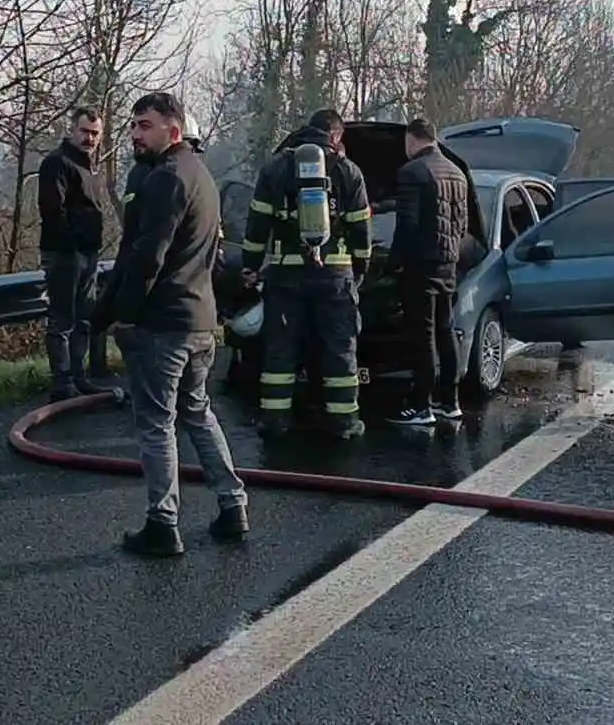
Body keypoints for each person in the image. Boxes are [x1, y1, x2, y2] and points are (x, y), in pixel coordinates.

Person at [92, 91, 247, 557]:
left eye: (144, 126)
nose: (135, 134)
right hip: (200, 320)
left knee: (157, 423)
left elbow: (146, 257)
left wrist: (121, 314)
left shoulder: (165, 180)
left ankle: (163, 523)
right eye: (134, 126)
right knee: (198, 413)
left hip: (164, 325)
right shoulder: (202, 176)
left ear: (173, 131)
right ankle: (233, 504)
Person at [239, 109, 372, 440]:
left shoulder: (275, 168)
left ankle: (275, 420)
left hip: (285, 278)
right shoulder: (348, 170)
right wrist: (359, 270)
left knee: (280, 349)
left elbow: (257, 225)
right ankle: (344, 421)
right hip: (334, 276)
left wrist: (250, 265)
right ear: (336, 136)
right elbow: (361, 229)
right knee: (340, 347)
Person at [386, 116, 470, 428]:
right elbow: (461, 224)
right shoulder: (457, 172)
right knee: (445, 331)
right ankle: (451, 402)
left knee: (422, 336)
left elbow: (406, 225)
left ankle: (422, 405)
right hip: (448, 263)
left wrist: (392, 263)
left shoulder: (413, 172)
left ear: (412, 139)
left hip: (420, 265)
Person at [37, 106, 114, 401]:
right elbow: (52, 211)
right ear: (71, 130)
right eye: (85, 131)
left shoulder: (90, 166)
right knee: (62, 320)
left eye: (95, 133)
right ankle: (62, 383)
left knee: (83, 319)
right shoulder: (57, 163)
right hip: (64, 254)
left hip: (89, 253)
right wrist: (71, 247)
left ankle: (79, 377)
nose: (90, 138)